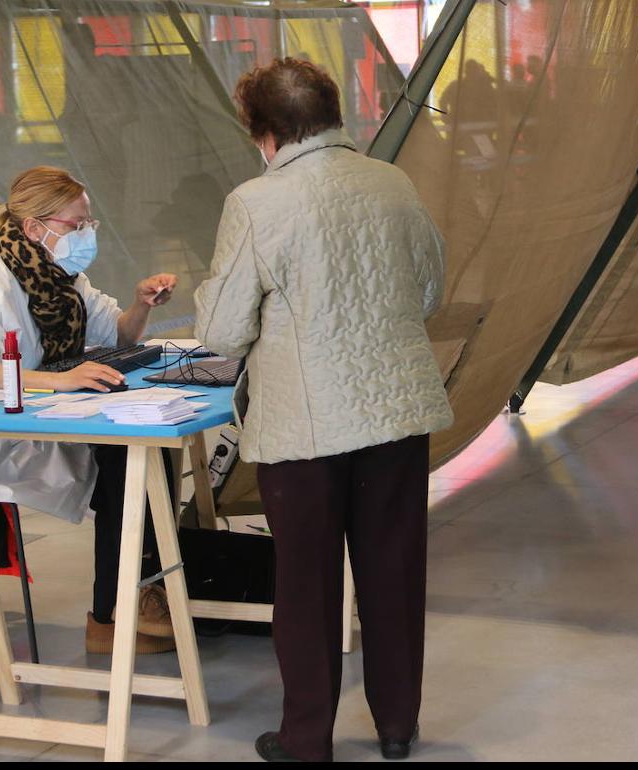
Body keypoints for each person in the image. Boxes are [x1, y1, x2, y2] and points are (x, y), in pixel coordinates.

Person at [194, 58, 452, 763]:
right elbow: (430, 290)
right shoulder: (393, 182)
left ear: (266, 131)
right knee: (393, 570)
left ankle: (307, 739)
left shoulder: (256, 202)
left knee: (306, 584)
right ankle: (397, 726)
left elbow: (220, 333)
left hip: (306, 424)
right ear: (335, 114)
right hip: (396, 408)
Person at [0, 166, 180, 655]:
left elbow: (116, 334)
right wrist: (62, 379)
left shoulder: (61, 277)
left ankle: (145, 592)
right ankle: (113, 613)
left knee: (150, 445)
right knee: (129, 459)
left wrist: (142, 305)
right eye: (76, 225)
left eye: (89, 224)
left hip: (36, 412)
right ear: (36, 228)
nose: (85, 234)